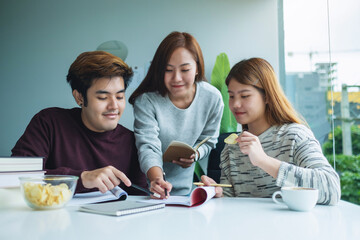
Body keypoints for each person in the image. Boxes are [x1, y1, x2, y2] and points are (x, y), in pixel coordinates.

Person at [201, 57, 341, 205]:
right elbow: (232, 203)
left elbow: (331, 189)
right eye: (231, 96)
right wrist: (218, 193)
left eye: (245, 96)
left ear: (267, 96)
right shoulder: (232, 148)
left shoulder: (295, 136)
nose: (235, 104)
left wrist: (263, 161)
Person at [12, 51, 147, 194]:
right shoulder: (48, 123)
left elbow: (139, 199)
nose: (114, 106)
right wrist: (81, 178)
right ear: (79, 97)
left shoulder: (131, 142)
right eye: (102, 97)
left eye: (120, 97)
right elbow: (16, 176)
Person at [129, 31, 224, 198]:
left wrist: (196, 154)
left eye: (185, 69)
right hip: (147, 191)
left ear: (197, 67)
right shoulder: (147, 101)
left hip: (184, 192)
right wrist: (157, 181)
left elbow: (209, 139)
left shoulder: (212, 98)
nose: (177, 78)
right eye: (168, 70)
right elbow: (148, 146)